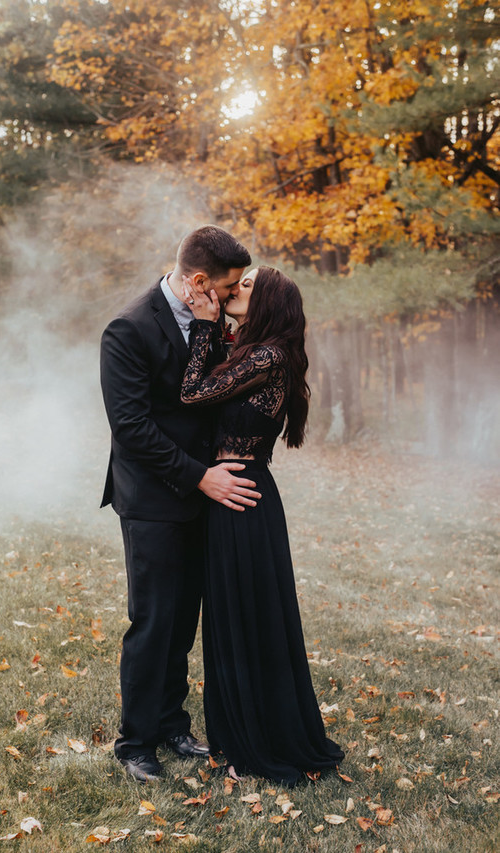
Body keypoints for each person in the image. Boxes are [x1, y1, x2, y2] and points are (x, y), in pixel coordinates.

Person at [99, 226, 261, 783]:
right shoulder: (129, 328)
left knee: (183, 620)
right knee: (153, 621)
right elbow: (132, 428)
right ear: (199, 283)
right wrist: (201, 479)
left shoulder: (211, 320)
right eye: (231, 285)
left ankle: (171, 723)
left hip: (205, 494)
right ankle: (135, 741)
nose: (236, 293)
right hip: (152, 498)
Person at [180, 266, 345, 786]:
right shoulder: (259, 351)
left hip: (242, 495)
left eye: (246, 286)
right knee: (237, 614)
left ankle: (260, 738)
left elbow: (193, 393)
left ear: (268, 302)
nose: (234, 290)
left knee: (247, 615)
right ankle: (242, 731)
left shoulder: (270, 354)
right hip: (236, 491)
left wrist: (205, 326)